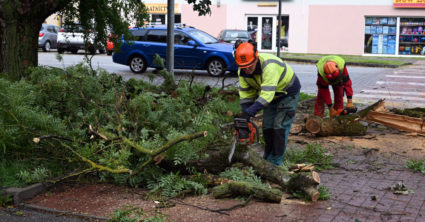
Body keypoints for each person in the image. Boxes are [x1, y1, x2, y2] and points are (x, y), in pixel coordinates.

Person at [234, 40, 301, 166]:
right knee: (268, 127)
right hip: (270, 96)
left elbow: (266, 96)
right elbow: (246, 95)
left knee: (279, 127)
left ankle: (275, 163)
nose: (247, 69)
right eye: (244, 67)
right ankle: (267, 158)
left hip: (287, 93)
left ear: (256, 58)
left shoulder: (268, 66)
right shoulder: (242, 72)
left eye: (250, 65)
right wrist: (245, 115)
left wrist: (249, 113)